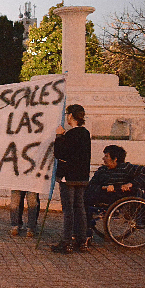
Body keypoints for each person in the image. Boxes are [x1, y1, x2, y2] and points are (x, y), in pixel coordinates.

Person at [83, 145, 145, 245]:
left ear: (115, 159)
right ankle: (86, 232)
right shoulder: (102, 170)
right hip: (104, 195)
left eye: (106, 156)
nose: (103, 158)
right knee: (84, 201)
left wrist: (131, 184)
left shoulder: (126, 168)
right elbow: (92, 185)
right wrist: (105, 187)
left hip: (121, 197)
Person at [52, 104, 91, 253]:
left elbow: (60, 153)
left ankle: (66, 241)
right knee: (79, 208)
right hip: (81, 176)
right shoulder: (85, 133)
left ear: (70, 116)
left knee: (69, 210)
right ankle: (82, 240)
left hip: (68, 177)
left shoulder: (70, 135)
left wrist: (59, 136)